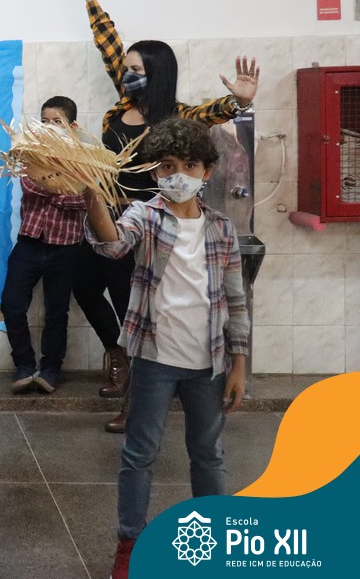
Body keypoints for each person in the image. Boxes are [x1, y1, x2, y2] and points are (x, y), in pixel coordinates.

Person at [72, 0, 258, 432]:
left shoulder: (176, 115)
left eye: (136, 69)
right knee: (85, 286)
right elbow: (110, 49)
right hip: (109, 218)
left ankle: (133, 402)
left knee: (136, 309)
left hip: (149, 225)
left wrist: (239, 100)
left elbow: (214, 112)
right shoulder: (120, 107)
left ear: (155, 73)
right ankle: (117, 356)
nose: (128, 74)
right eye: (127, 69)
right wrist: (92, 2)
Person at [84, 118, 248, 579]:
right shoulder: (146, 216)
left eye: (189, 166)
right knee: (140, 453)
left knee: (208, 454)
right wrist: (91, 194)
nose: (179, 175)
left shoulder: (221, 228)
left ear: (206, 172)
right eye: (168, 166)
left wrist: (239, 365)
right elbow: (113, 245)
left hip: (209, 363)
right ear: (155, 172)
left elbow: (236, 300)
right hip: (154, 358)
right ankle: (130, 545)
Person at [0, 96, 87, 395]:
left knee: (57, 312)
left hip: (66, 245)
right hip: (30, 241)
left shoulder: (83, 158)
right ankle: (24, 365)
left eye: (56, 122)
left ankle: (51, 369)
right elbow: (30, 185)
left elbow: (82, 200)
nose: (49, 127)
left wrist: (57, 189)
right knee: (11, 304)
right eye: (45, 121)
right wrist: (63, 188)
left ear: (72, 126)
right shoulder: (30, 153)